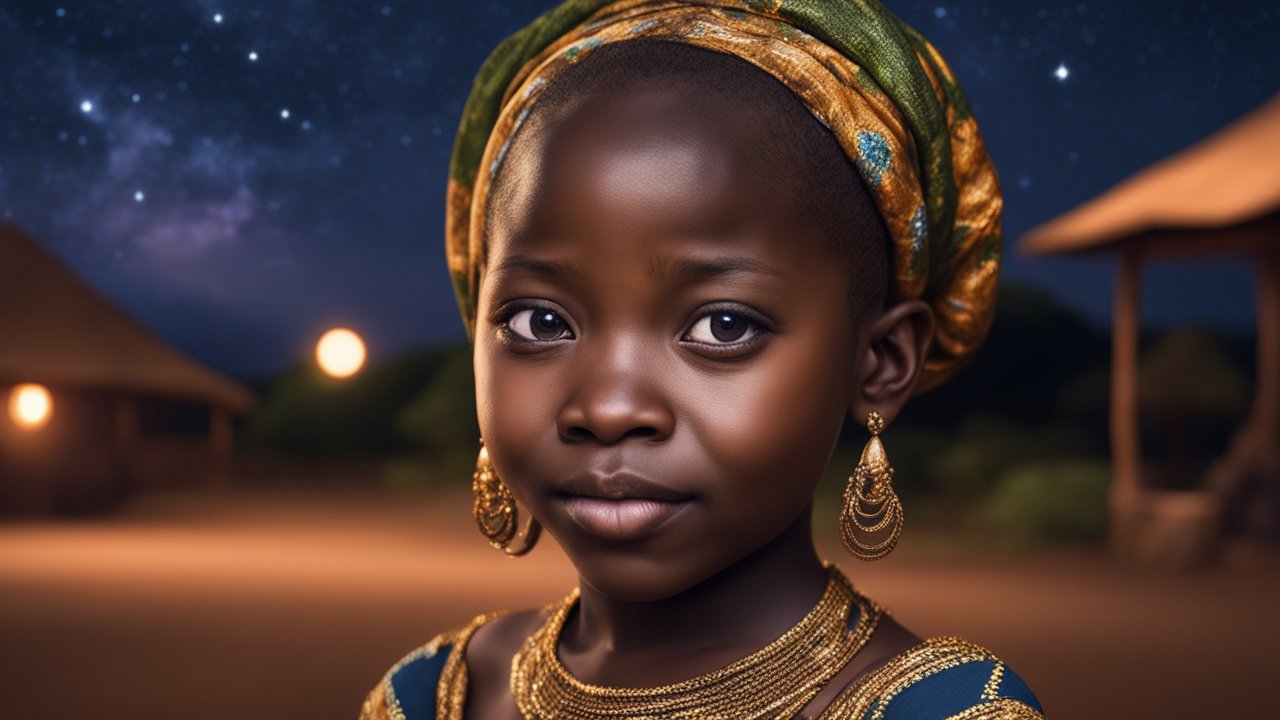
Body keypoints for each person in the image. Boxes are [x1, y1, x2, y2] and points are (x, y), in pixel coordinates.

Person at [362, 1, 1043, 717]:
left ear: (880, 361)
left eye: (722, 327)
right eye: (541, 322)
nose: (608, 407)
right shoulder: (432, 696)